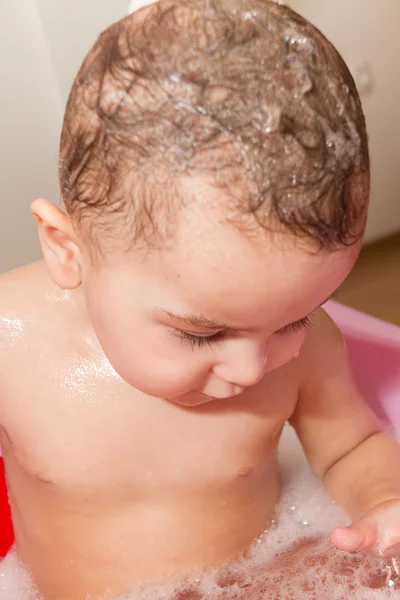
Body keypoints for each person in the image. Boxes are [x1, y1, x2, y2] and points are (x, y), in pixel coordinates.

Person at [1, 0, 400, 598]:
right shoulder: (12, 340)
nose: (253, 368)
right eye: (203, 333)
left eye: (296, 317)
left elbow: (352, 446)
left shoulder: (310, 350)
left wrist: (385, 502)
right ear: (68, 250)